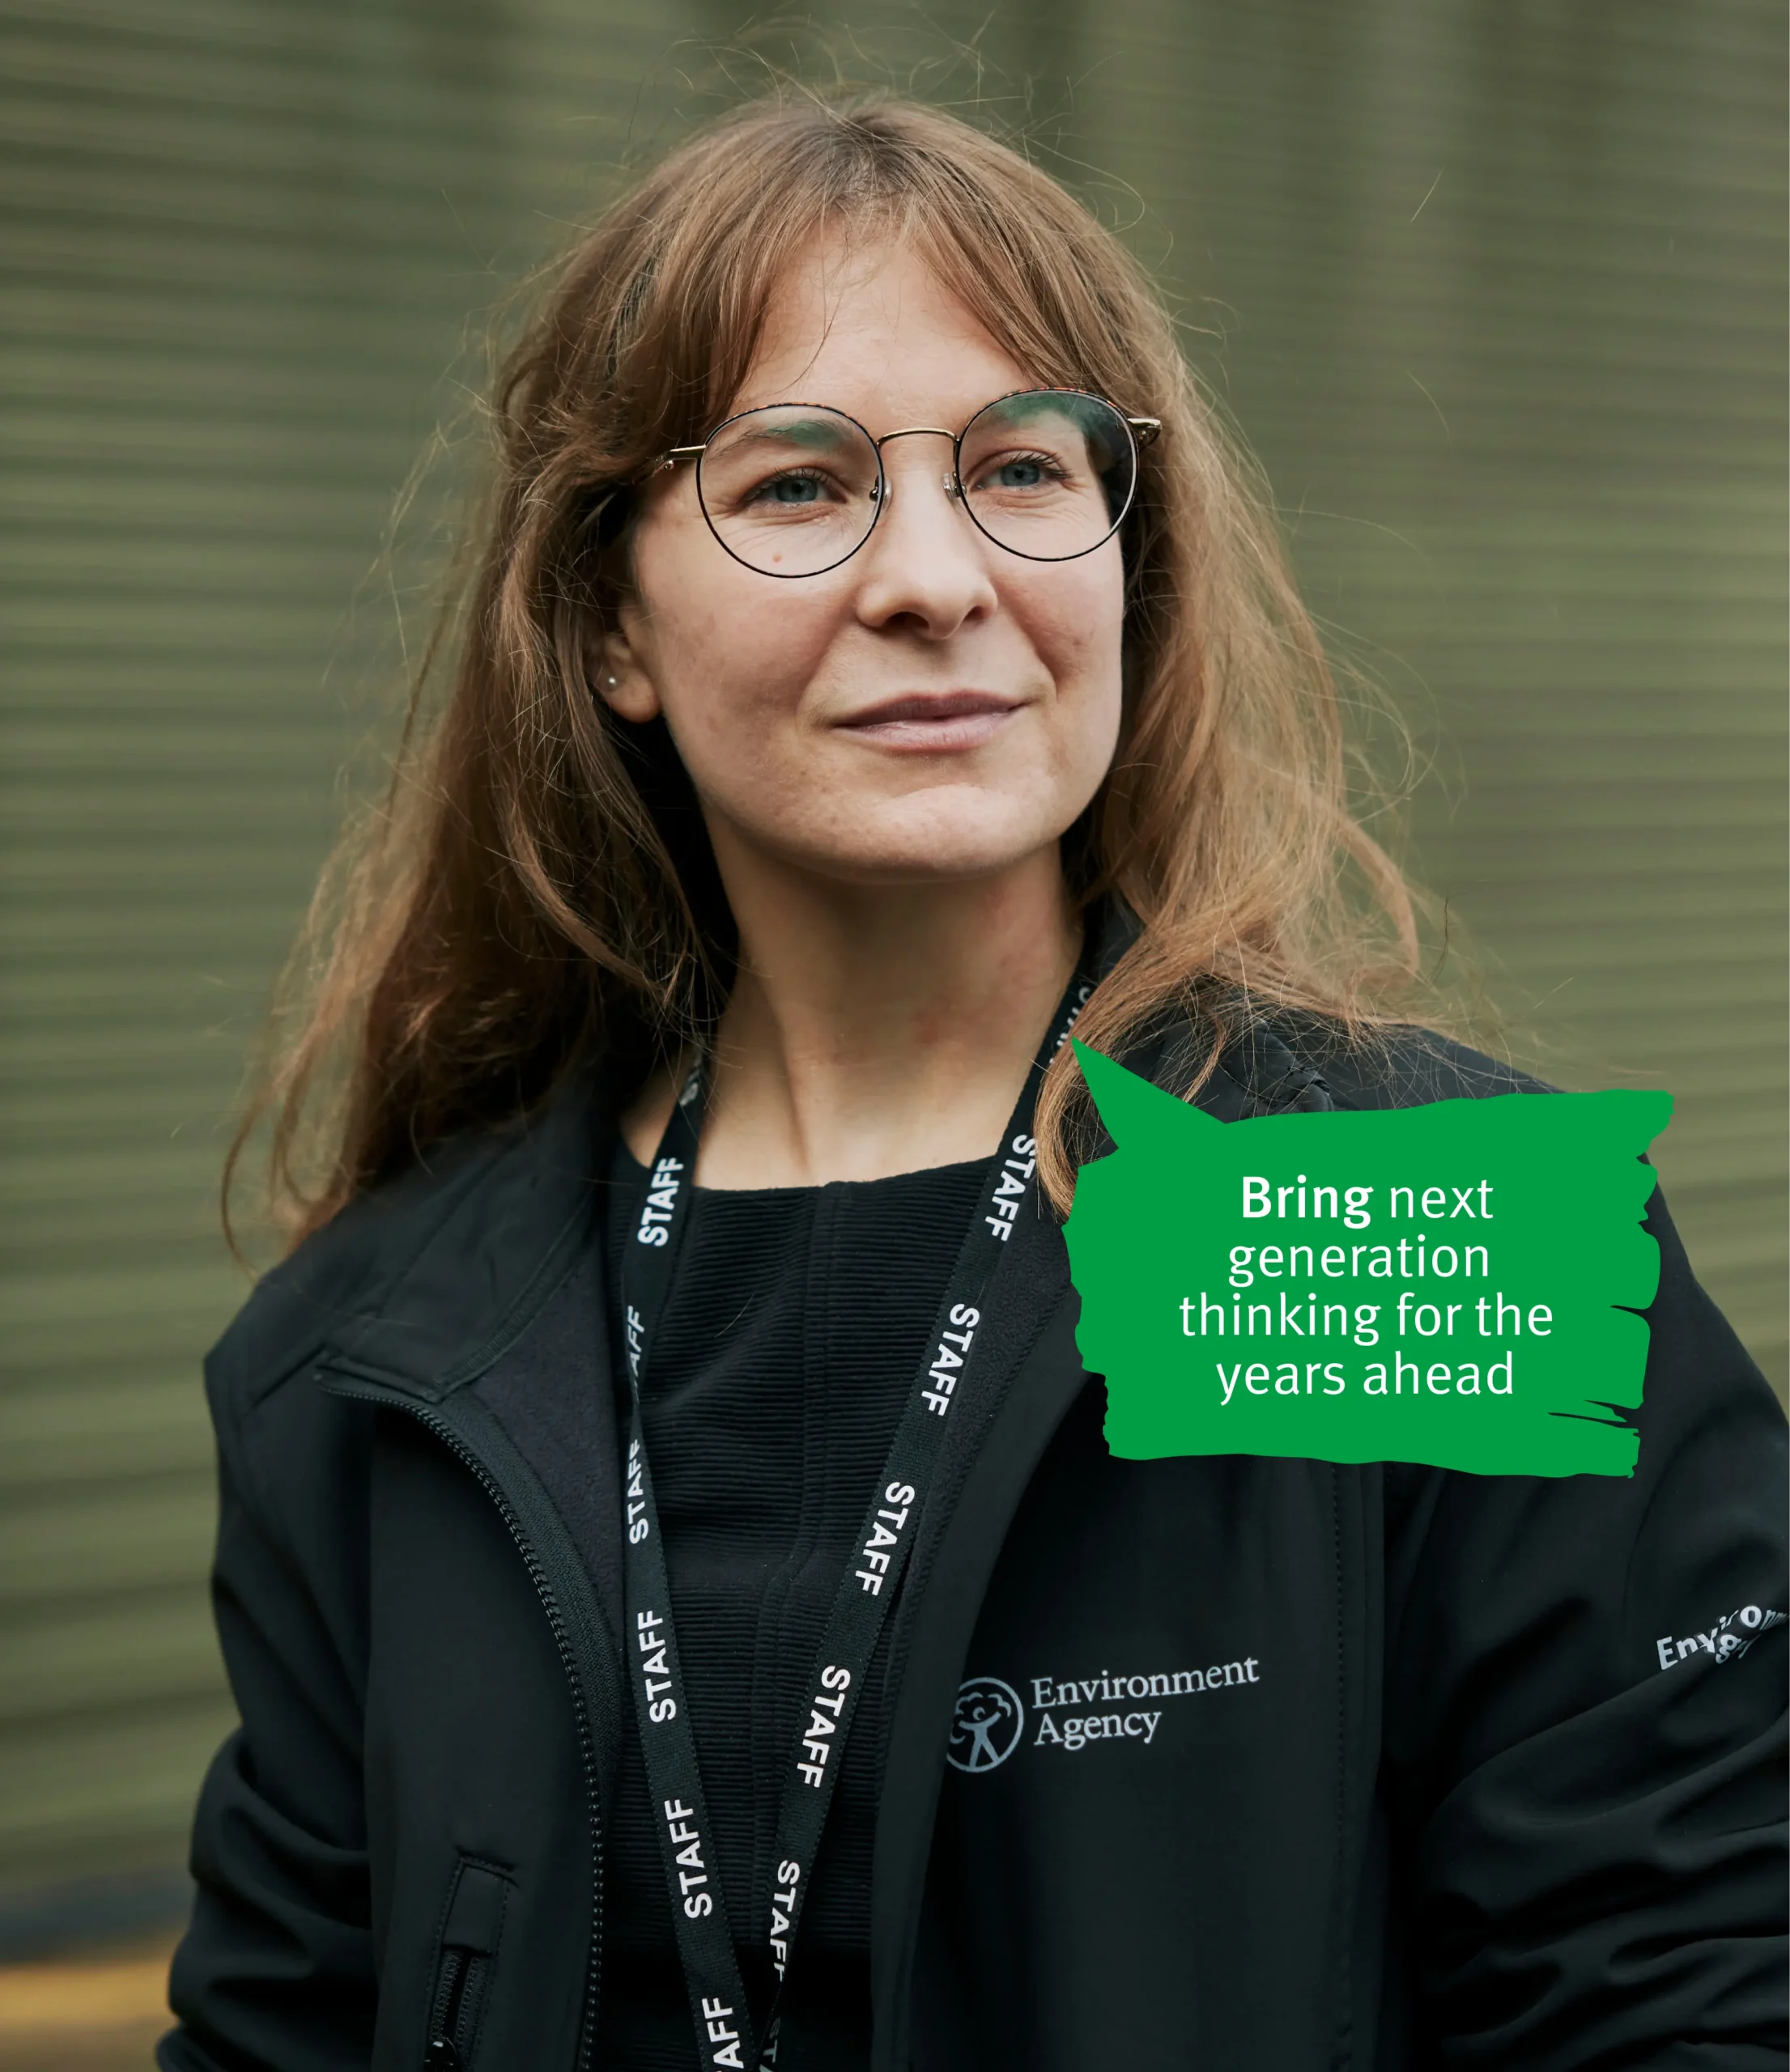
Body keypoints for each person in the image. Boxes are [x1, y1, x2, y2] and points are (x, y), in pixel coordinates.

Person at [159, 92, 1790, 2072]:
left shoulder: (1401, 1231)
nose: (935, 577)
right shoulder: (391, 1358)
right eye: (795, 483)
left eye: (1021, 466)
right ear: (606, 628)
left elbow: (1679, 2006)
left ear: (1128, 566)